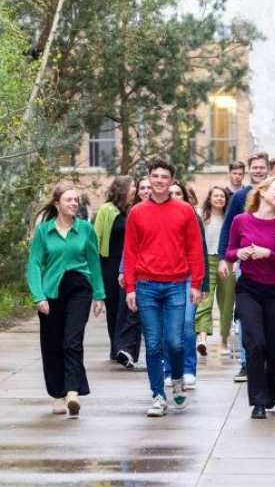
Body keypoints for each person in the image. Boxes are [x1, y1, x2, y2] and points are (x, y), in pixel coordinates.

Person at [123, 158, 205, 417]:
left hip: (176, 285)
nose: (159, 181)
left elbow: (195, 248)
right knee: (153, 344)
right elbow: (130, 251)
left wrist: (196, 284)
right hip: (146, 285)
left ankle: (178, 380)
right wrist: (130, 288)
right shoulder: (137, 212)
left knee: (175, 342)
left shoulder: (185, 210)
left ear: (171, 181)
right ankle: (158, 395)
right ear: (149, 178)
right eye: (155, 176)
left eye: (164, 177)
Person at [26, 183, 105, 418]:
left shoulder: (85, 229)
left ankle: (72, 391)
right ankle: (58, 395)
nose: (74, 203)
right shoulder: (44, 232)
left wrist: (99, 295)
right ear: (57, 203)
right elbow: (34, 265)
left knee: (72, 340)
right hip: (51, 291)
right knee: (52, 343)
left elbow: (94, 262)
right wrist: (38, 296)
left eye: (76, 200)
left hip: (79, 287)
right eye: (69, 200)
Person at [225, 177, 275, 419]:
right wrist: (239, 253)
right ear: (262, 192)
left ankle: (272, 383)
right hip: (248, 289)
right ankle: (258, 401)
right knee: (254, 343)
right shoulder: (240, 221)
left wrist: (268, 254)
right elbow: (229, 252)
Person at [218, 151, 271, 383]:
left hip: (273, 263)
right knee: (246, 315)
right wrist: (224, 258)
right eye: (255, 167)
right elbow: (228, 227)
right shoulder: (241, 196)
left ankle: (268, 360)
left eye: (262, 167)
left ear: (268, 169)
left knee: (272, 316)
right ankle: (246, 363)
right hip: (246, 263)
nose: (258, 171)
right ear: (250, 170)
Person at [166, 182, 209, 389]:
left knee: (186, 322)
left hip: (190, 276)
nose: (174, 196)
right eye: (171, 193)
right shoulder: (158, 215)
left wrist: (204, 283)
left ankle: (189, 369)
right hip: (166, 275)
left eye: (178, 193)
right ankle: (169, 370)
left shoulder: (193, 217)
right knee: (168, 326)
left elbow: (202, 250)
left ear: (185, 196)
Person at [93, 176, 134, 361]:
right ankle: (115, 347)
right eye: (132, 186)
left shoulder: (133, 210)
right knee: (113, 308)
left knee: (127, 307)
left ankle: (123, 346)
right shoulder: (106, 210)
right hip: (109, 263)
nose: (135, 189)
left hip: (128, 263)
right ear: (122, 189)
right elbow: (96, 238)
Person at [111, 176, 150, 369]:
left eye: (148, 187)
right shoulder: (133, 213)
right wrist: (122, 270)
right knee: (132, 311)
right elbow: (128, 247)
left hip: (158, 271)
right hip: (136, 270)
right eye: (142, 188)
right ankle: (127, 351)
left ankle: (156, 354)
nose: (145, 191)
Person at [195, 185, 234, 355]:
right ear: (209, 199)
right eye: (216, 196)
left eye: (222, 196)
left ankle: (224, 342)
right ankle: (202, 339)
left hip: (226, 262)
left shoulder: (231, 218)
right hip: (206, 262)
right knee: (205, 301)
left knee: (226, 304)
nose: (219, 199)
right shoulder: (201, 216)